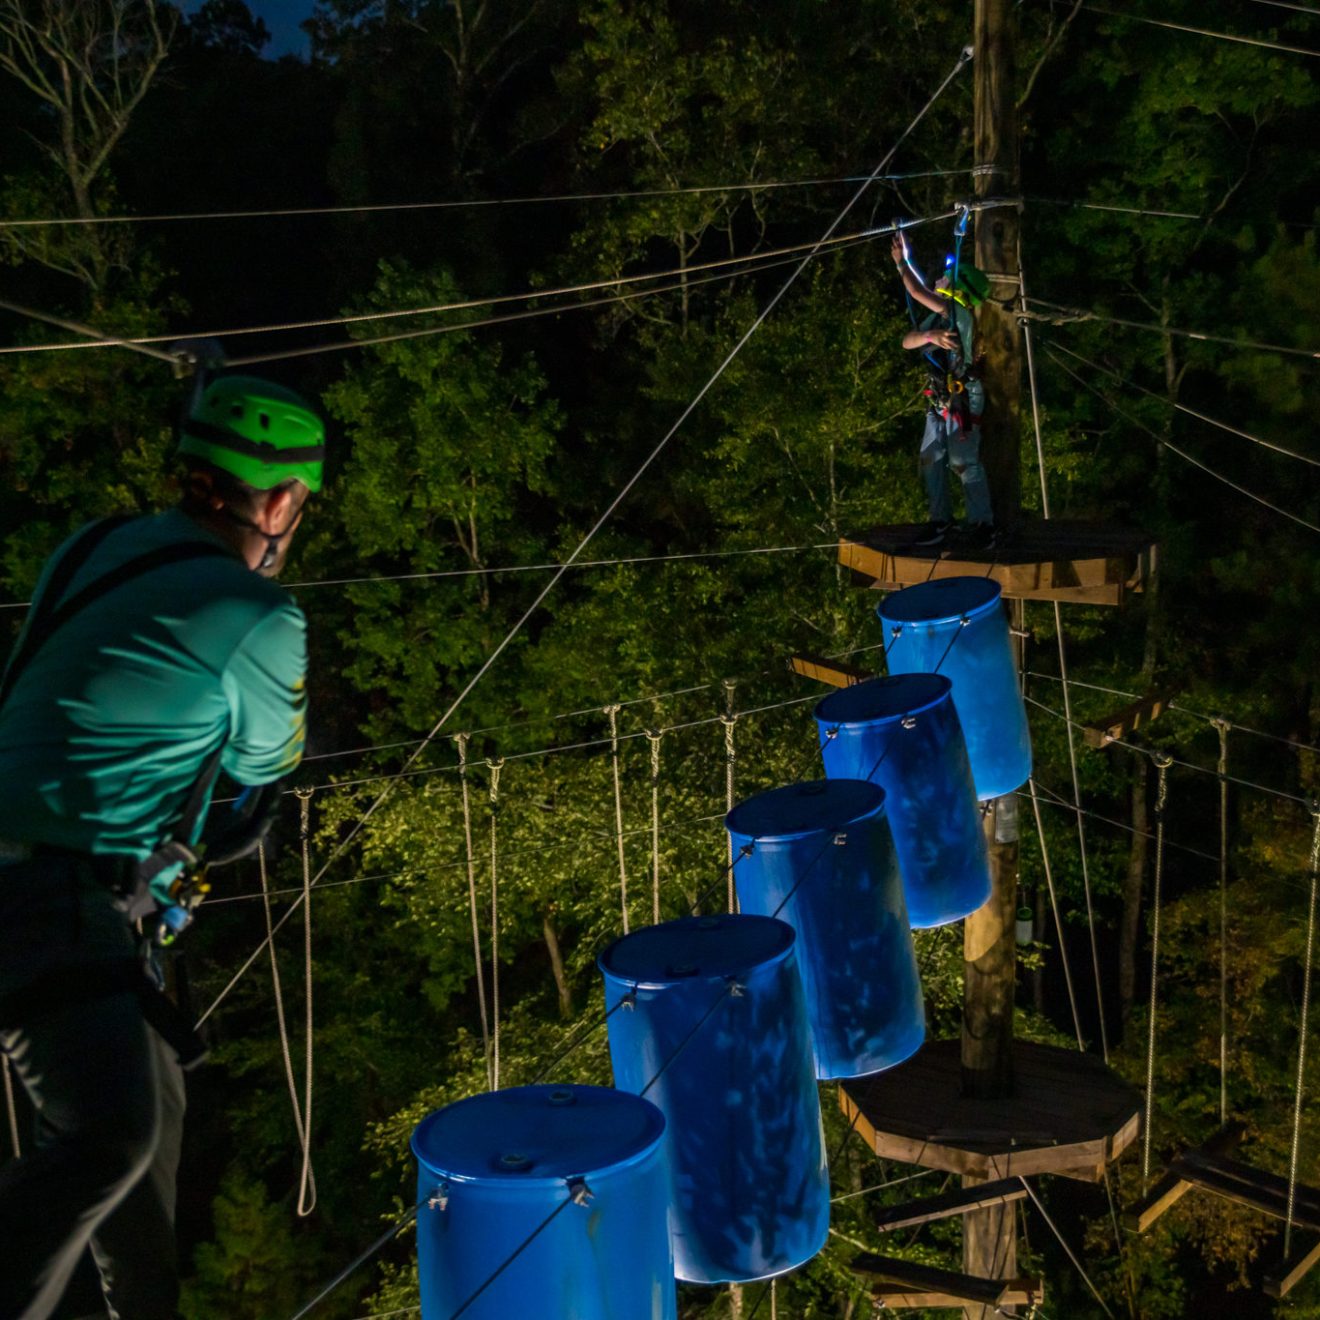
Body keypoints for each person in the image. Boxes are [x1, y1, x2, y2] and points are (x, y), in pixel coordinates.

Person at [0, 374, 324, 1320]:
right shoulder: (260, 614)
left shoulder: (92, 546)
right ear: (275, 501)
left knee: (141, 1120)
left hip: (61, 890)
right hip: (53, 895)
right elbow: (263, 763)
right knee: (110, 1139)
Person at [891, 231, 994, 548]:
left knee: (962, 461)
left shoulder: (956, 312)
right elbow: (908, 342)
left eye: (946, 278)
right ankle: (941, 521)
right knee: (931, 458)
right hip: (941, 397)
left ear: (958, 289)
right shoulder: (941, 319)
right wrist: (930, 336)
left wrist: (902, 262)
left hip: (962, 396)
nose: (939, 279)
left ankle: (983, 525)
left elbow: (916, 289)